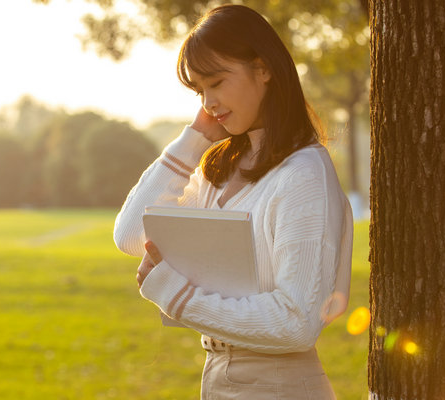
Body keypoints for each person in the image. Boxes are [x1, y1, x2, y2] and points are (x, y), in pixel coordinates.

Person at [113, 4, 353, 399]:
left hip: (281, 385)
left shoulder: (304, 173)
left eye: (217, 82)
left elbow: (297, 323)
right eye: (199, 90)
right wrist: (195, 138)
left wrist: (177, 296)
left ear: (264, 69)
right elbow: (132, 234)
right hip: (219, 375)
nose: (208, 101)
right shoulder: (219, 170)